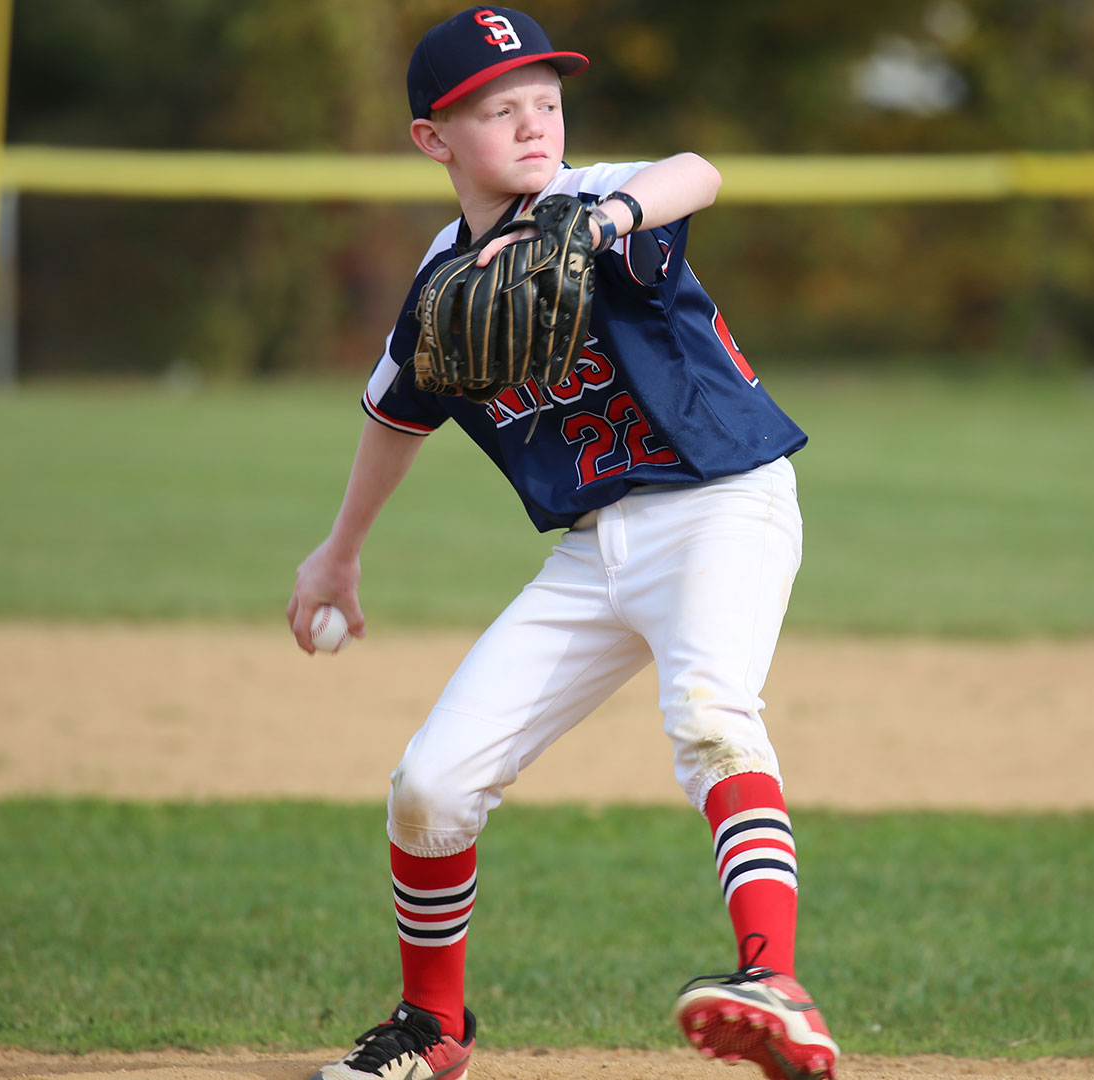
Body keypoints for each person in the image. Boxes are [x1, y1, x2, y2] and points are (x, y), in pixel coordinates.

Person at [286, 8, 837, 1080]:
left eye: (546, 99)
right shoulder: (445, 284)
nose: (535, 122)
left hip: (724, 503)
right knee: (431, 787)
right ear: (434, 139)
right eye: (500, 108)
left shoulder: (595, 197)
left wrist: (607, 215)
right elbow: (397, 415)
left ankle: (775, 982)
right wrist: (339, 550)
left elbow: (699, 172)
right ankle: (433, 1029)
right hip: (592, 551)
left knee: (713, 718)